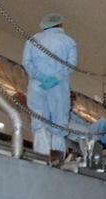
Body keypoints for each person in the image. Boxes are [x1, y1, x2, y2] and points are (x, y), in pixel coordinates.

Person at [22, 12, 77, 164]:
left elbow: (26, 63)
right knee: (58, 126)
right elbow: (71, 64)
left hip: (37, 87)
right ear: (60, 24)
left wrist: (41, 77)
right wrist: (55, 78)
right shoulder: (68, 42)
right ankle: (57, 160)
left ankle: (41, 159)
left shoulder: (32, 40)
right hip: (58, 88)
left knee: (40, 123)